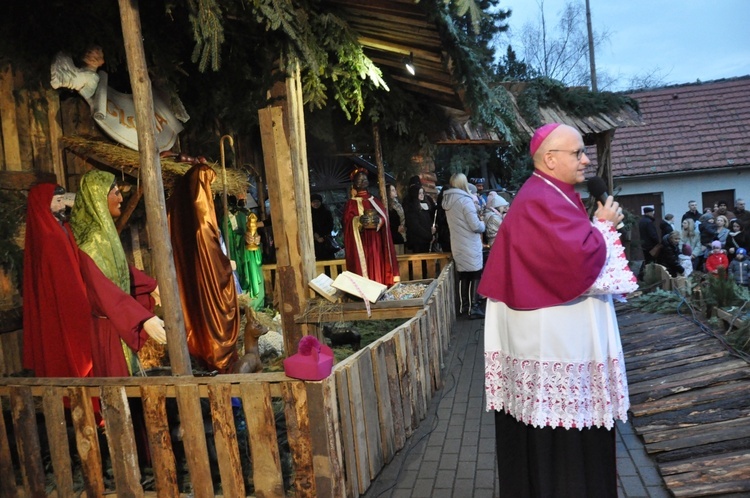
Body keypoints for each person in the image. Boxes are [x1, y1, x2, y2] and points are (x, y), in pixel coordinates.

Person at [479, 123, 629, 497]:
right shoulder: (541, 199)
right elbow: (576, 263)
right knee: (559, 439)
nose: (585, 159)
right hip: (556, 342)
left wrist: (596, 228)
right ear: (549, 159)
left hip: (559, 338)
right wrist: (603, 227)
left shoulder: (551, 194)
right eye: (577, 152)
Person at [69, 171, 166, 377]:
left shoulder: (104, 234)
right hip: (110, 329)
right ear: (98, 198)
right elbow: (104, 290)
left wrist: (151, 286)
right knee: (118, 387)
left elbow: (120, 268)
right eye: (114, 192)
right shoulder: (91, 242)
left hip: (116, 321)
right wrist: (142, 318)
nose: (120, 198)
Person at [167, 164, 240, 373]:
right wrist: (226, 264)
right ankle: (220, 365)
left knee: (198, 319)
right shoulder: (203, 223)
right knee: (214, 324)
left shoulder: (177, 213)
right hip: (210, 285)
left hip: (191, 284)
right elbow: (215, 262)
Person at [343, 167, 400, 286]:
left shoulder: (375, 200)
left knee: (378, 264)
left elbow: (384, 217)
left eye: (365, 178)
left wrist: (379, 220)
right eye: (359, 179)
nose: (363, 181)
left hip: (376, 242)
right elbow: (347, 223)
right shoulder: (351, 203)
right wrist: (358, 221)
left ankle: (381, 285)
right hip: (362, 243)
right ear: (354, 183)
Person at [442, 173, 486, 319]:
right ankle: (473, 308)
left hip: (457, 243)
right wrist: (483, 224)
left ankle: (463, 306)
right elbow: (475, 226)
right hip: (470, 244)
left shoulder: (448, 200)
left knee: (463, 276)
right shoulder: (465, 201)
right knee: (475, 274)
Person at [403, 184, 436, 253]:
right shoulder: (411, 208)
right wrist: (429, 236)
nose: (422, 195)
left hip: (426, 241)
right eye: (419, 193)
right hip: (418, 242)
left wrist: (433, 229)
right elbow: (415, 227)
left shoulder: (425, 206)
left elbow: (428, 221)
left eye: (422, 193)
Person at [310, 193, 338, 260]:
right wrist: (315, 236)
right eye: (314, 202)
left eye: (318, 202)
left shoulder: (326, 212)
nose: (316, 204)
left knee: (328, 258)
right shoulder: (308, 213)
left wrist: (322, 236)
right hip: (313, 241)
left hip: (325, 240)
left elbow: (330, 225)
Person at [639, 207, 660, 272]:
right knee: (652, 262)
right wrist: (658, 243)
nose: (653, 214)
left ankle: (646, 274)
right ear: (649, 213)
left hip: (644, 245)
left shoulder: (642, 221)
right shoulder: (649, 222)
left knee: (647, 261)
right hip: (651, 246)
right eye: (652, 212)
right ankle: (651, 274)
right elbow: (653, 235)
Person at [386, 183, 406, 248]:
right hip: (393, 234)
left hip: (402, 232)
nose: (395, 191)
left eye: (395, 189)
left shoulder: (398, 204)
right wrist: (396, 228)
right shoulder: (387, 206)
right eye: (392, 190)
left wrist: (403, 225)